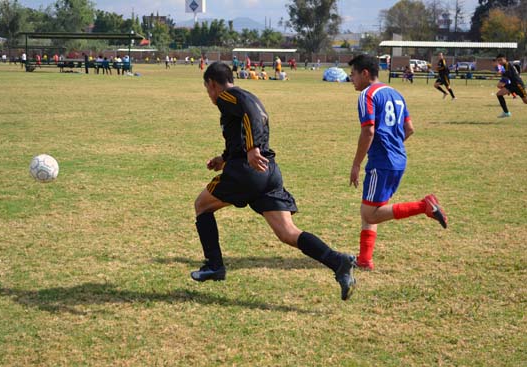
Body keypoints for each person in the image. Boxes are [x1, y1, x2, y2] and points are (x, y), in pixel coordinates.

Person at [191, 62, 356, 301]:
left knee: (202, 205)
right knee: (288, 233)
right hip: (268, 172)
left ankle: (214, 266)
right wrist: (224, 159)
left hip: (248, 171)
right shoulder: (244, 95)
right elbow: (244, 128)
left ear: (213, 84)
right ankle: (338, 262)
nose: (209, 95)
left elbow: (252, 116)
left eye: (207, 90)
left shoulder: (228, 96)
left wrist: (251, 149)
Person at [347, 54, 448, 271]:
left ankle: (425, 206)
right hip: (398, 159)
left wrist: (356, 164)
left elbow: (368, 131)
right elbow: (409, 128)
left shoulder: (367, 94)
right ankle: (365, 259)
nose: (351, 78)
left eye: (353, 74)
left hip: (381, 161)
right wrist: (393, 144)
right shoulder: (396, 93)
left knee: (369, 213)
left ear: (365, 73)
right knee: (372, 207)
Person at [495, 53, 527, 118]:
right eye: (498, 60)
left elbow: (508, 74)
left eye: (501, 60)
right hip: (512, 85)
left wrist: (501, 75)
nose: (499, 62)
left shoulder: (507, 64)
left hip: (518, 85)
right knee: (499, 94)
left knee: (525, 101)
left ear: (505, 59)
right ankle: (506, 112)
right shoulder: (505, 65)